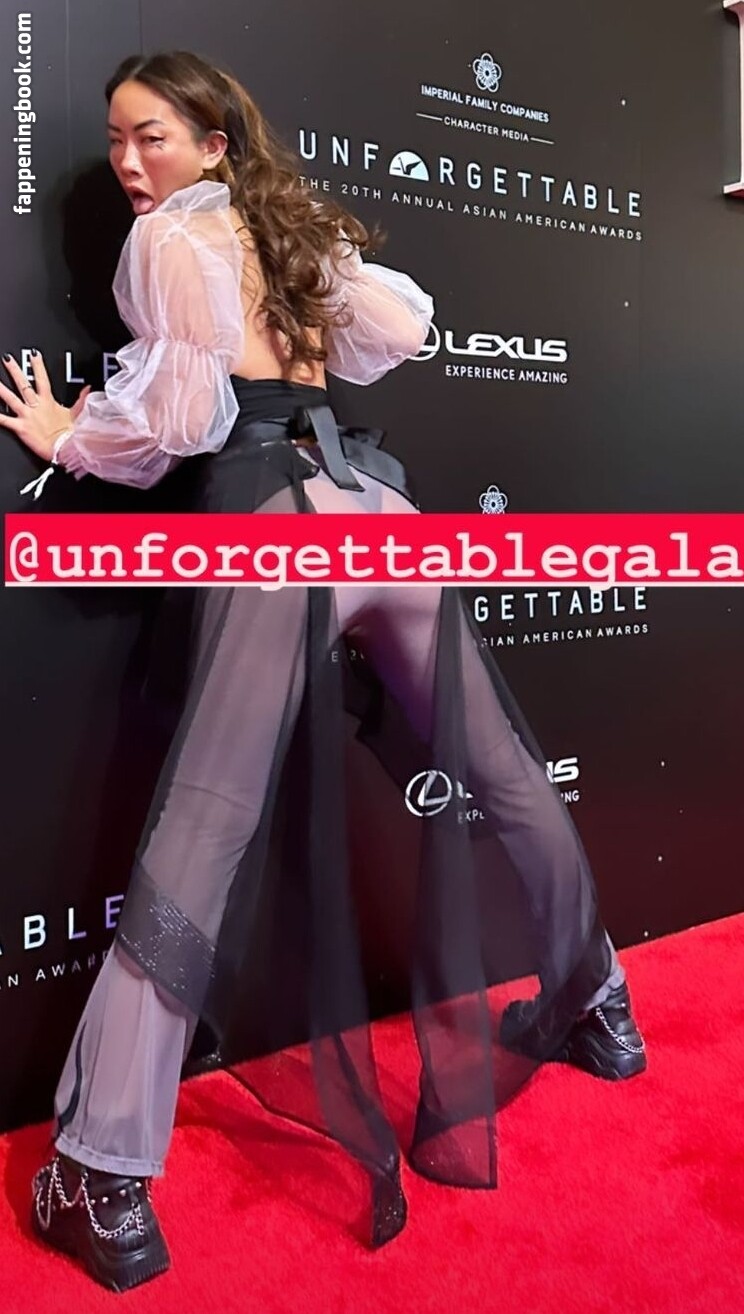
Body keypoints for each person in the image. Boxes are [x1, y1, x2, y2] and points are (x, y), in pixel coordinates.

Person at [0, 51, 645, 1294]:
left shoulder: (171, 240)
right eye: (117, 140)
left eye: (152, 137)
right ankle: (599, 1004)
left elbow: (175, 423)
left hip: (276, 522)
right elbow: (398, 327)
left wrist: (69, 434)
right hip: (379, 513)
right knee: (501, 767)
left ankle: (101, 1172)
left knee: (206, 823)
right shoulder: (292, 232)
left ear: (212, 143)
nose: (130, 162)